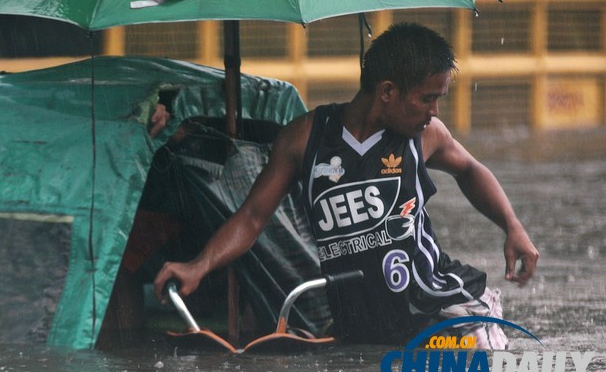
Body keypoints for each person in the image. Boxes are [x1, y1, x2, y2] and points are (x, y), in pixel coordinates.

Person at [153, 22, 539, 348]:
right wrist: (197, 266)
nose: (435, 111)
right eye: (427, 99)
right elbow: (253, 217)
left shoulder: (425, 136)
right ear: (387, 92)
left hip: (443, 308)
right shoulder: (304, 139)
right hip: (359, 324)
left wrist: (513, 226)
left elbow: (470, 170)